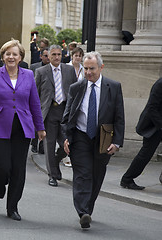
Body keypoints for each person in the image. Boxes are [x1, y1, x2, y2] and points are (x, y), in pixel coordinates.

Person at [0, 39, 46, 221]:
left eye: (15, 54)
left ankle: (12, 207)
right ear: (2, 56)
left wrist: (40, 127)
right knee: (3, 167)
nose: (11, 57)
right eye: (7, 54)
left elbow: (35, 103)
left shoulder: (28, 75)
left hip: (23, 128)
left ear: (21, 57)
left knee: (18, 169)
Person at [62, 51, 125, 229]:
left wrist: (117, 142)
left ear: (101, 67)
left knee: (97, 175)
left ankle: (88, 208)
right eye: (86, 69)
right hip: (81, 136)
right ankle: (82, 211)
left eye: (92, 69)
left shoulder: (113, 87)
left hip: (103, 138)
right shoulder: (76, 88)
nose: (88, 72)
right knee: (83, 174)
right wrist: (67, 137)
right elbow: (67, 116)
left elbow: (119, 117)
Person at [35, 45, 77, 187]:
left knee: (67, 144)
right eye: (53, 54)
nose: (56, 57)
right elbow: (35, 94)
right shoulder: (41, 71)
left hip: (65, 112)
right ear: (48, 56)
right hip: (49, 112)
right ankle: (52, 175)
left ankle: (56, 163)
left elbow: (75, 90)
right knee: (49, 144)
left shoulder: (69, 70)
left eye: (59, 54)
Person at [121, 77, 162, 190]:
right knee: (146, 154)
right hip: (154, 125)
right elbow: (152, 107)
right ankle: (127, 179)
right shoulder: (160, 84)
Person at [30, 47, 50, 154]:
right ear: (41, 56)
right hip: (37, 98)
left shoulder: (53, 69)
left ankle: (42, 146)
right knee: (35, 123)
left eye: (49, 56)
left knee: (45, 125)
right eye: (45, 56)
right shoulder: (34, 67)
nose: (47, 58)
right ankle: (34, 143)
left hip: (47, 100)